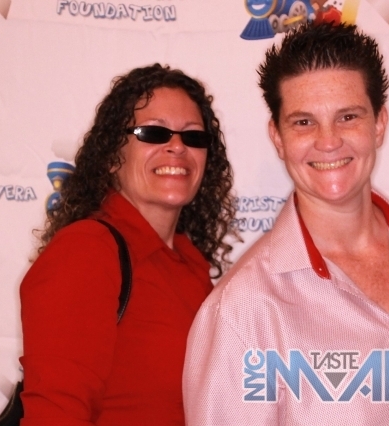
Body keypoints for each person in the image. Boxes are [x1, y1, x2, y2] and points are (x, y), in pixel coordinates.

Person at [183, 23, 389, 425]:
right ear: (278, 137)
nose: (328, 141)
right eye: (303, 122)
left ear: (378, 124)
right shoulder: (241, 311)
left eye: (347, 117)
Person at [20, 64, 237, 425]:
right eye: (153, 133)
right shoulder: (86, 252)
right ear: (111, 157)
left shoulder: (190, 264)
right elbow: (55, 414)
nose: (177, 147)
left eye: (193, 137)